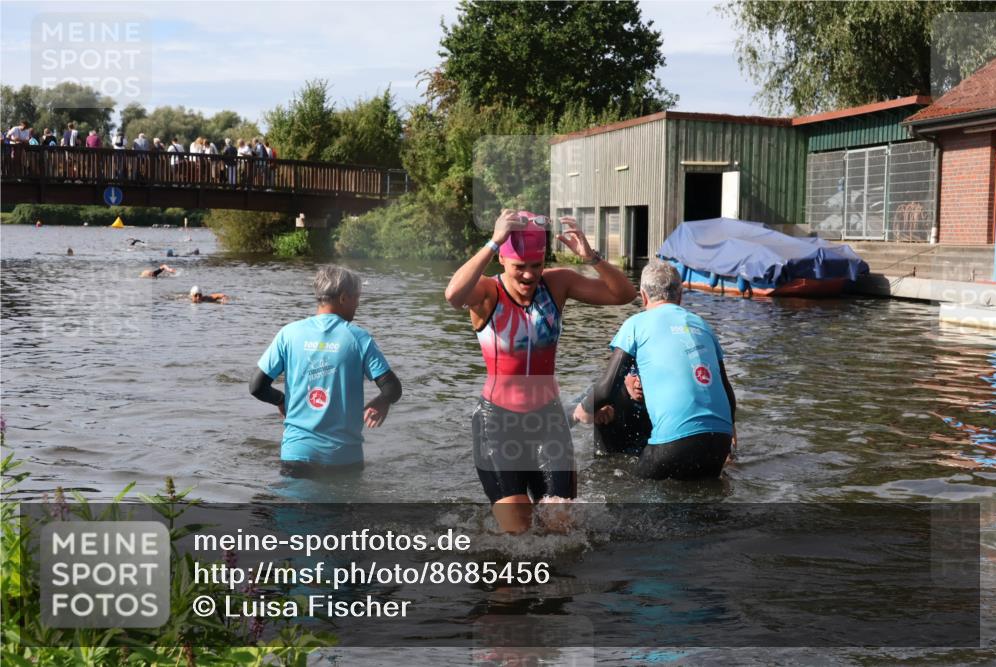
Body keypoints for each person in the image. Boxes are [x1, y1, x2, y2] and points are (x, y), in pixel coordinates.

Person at [444, 209, 636, 533]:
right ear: (502, 261)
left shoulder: (557, 284)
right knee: (518, 534)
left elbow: (624, 295)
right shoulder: (488, 294)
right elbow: (453, 295)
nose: (530, 276)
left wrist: (592, 257)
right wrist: (493, 241)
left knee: (562, 528)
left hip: (547, 421)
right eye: (520, 267)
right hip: (498, 424)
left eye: (536, 265)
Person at [585, 260, 737, 480]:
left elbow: (604, 388)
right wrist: (730, 440)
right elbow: (726, 391)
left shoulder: (637, 324)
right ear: (681, 296)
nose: (639, 381)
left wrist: (578, 413)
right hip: (718, 443)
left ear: (643, 296)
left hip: (672, 443)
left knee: (631, 491)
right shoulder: (703, 325)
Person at [250, 265, 402, 477]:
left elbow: (256, 387)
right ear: (343, 298)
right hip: (344, 458)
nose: (357, 304)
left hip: (296, 455)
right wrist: (382, 402)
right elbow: (392, 388)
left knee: (295, 509)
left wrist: (281, 400)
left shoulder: (289, 334)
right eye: (356, 298)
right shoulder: (359, 338)